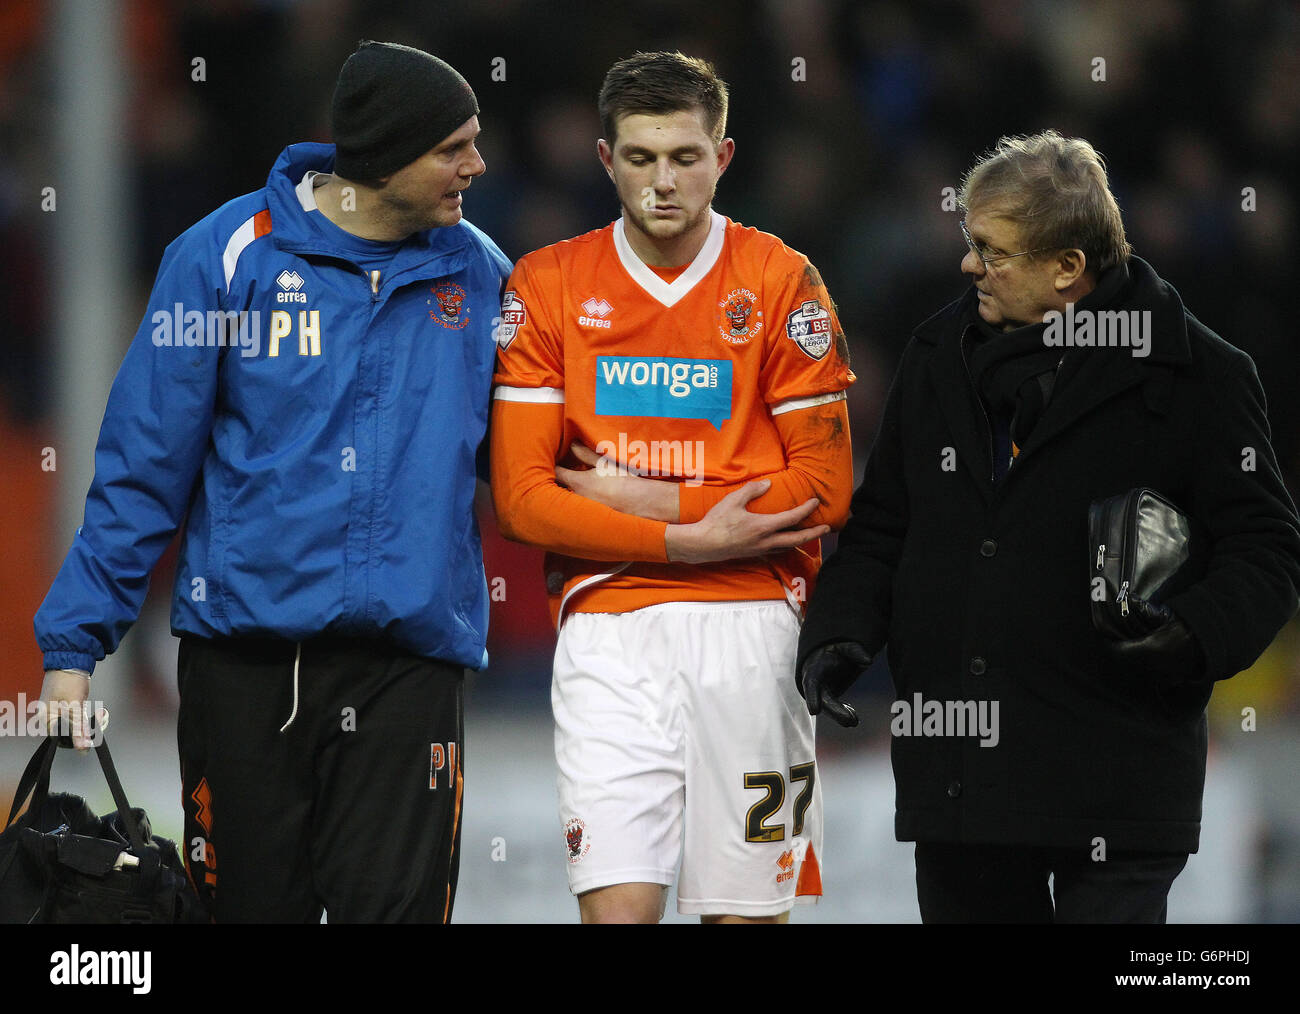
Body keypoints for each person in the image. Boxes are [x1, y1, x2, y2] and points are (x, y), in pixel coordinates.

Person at [33, 41, 511, 922]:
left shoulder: (479, 272)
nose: (477, 167)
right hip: (245, 672)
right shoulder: (220, 257)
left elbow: (529, 465)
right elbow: (144, 465)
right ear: (384, 157)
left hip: (408, 676)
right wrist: (74, 648)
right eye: (455, 148)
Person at [797, 130, 1300, 923]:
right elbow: (886, 522)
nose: (970, 265)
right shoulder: (937, 355)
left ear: (1067, 268)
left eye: (992, 251)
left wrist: (1194, 634)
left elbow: (1266, 549)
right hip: (965, 785)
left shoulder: (1201, 375)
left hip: (1118, 774)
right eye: (971, 243)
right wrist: (839, 629)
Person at [490, 51, 855, 923]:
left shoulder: (780, 280)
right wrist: (682, 541)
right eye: (642, 158)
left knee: (743, 917)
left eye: (685, 158)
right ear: (605, 158)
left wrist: (652, 501)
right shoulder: (546, 286)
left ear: (722, 159)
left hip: (756, 632)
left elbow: (825, 488)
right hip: (609, 631)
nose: (663, 182)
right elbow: (522, 498)